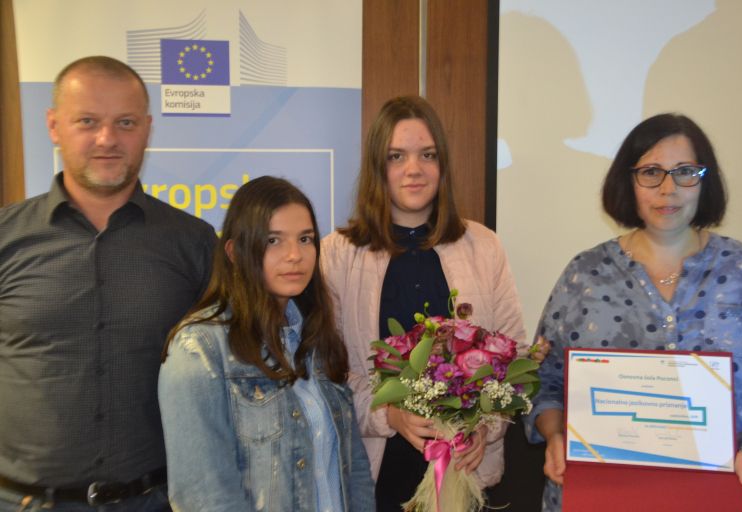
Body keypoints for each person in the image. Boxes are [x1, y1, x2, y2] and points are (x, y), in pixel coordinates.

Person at [0, 56, 216, 511]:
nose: (107, 139)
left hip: (156, 500)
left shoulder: (194, 242)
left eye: (125, 122)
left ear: (148, 129)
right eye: (87, 121)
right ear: (53, 126)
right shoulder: (6, 237)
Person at [528, 113, 742, 511]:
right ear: (629, 181)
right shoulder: (584, 274)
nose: (668, 189)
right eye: (651, 172)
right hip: (602, 498)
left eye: (685, 172)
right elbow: (543, 381)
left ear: (704, 180)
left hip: (726, 495)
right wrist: (554, 436)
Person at [321, 95, 534, 510]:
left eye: (427, 155)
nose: (414, 169)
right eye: (396, 156)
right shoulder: (337, 255)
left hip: (465, 476)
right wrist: (388, 414)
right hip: (373, 477)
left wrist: (485, 426)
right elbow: (327, 373)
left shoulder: (484, 246)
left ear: (443, 165)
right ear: (377, 167)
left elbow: (515, 358)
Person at [158, 176, 375, 511]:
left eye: (305, 239)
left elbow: (353, 468)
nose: (295, 255)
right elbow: (204, 496)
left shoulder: (316, 339)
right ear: (234, 252)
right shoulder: (200, 348)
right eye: (273, 240)